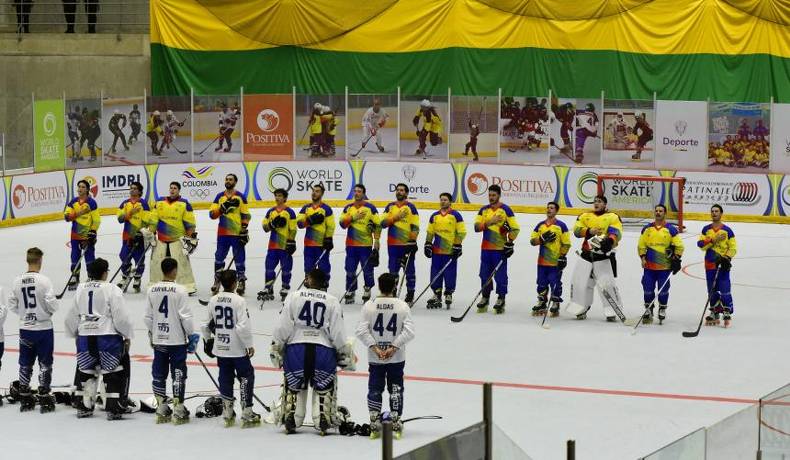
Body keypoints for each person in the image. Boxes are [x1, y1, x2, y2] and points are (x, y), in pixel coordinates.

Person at [271, 269, 354, 435]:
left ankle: (291, 415)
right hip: (322, 352)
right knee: (325, 384)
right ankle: (322, 417)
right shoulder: (332, 301)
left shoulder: (294, 296)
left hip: (296, 352)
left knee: (293, 384)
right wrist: (343, 353)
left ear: (308, 280)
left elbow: (283, 326)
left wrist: (277, 346)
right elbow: (338, 333)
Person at [64, 259, 133, 420]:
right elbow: (121, 317)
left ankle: (84, 405)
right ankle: (114, 406)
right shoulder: (111, 289)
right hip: (107, 339)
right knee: (115, 370)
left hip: (85, 339)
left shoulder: (81, 288)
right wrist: (127, 335)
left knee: (86, 371)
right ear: (104, 273)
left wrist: (75, 335)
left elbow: (71, 317)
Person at [356, 273, 415, 439]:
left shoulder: (369, 306)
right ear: (395, 285)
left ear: (379, 285)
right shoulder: (402, 306)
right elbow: (409, 331)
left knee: (375, 387)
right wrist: (393, 347)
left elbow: (361, 330)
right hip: (396, 358)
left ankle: (374, 421)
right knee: (396, 388)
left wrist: (375, 348)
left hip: (376, 358)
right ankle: (396, 420)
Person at [144, 257, 199, 425]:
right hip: (176, 341)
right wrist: (191, 335)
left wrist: (153, 333)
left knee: (159, 373)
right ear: (174, 270)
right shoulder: (180, 290)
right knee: (178, 373)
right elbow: (185, 317)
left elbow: (148, 317)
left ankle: (161, 407)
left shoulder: (152, 290)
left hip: (159, 339)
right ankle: (178, 407)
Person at [202, 270, 259, 428]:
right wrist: (249, 344)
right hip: (237, 348)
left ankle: (227, 411)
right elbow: (242, 327)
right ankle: (247, 412)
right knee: (246, 376)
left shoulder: (213, 300)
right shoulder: (239, 301)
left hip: (221, 347)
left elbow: (205, 324)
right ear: (234, 283)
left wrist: (207, 341)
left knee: (224, 377)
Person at [7, 247, 59, 413]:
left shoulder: (17, 281)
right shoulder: (44, 281)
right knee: (45, 363)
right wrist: (46, 311)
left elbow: (12, 305)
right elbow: (52, 304)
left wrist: (25, 314)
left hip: (26, 329)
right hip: (43, 328)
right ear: (40, 261)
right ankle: (44, 395)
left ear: (28, 260)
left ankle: (24, 395)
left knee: (25, 362)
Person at [566, 195, 624, 321]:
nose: (596, 203)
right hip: (586, 255)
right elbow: (576, 230)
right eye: (595, 201)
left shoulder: (612, 217)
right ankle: (580, 308)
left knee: (606, 284)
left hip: (602, 256)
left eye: (600, 201)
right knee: (581, 283)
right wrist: (588, 231)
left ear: (605, 204)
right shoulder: (585, 216)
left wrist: (610, 241)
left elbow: (616, 233)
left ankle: (612, 311)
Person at [474, 184, 520, 314]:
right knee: (484, 275)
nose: (491, 197)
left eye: (493, 195)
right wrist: (490, 221)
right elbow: (477, 228)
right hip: (486, 249)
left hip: (500, 250)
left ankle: (501, 298)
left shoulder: (506, 210)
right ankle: (485, 297)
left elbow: (515, 228)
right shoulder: (483, 210)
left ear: (499, 195)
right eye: (489, 195)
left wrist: (510, 242)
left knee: (500, 276)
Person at [149, 182, 198, 295]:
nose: (172, 190)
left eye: (175, 188)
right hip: (161, 239)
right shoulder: (160, 202)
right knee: (157, 263)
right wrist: (151, 232)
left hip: (177, 240)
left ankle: (187, 286)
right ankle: (156, 284)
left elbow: (189, 222)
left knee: (182, 263)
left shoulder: (184, 204)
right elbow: (154, 219)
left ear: (179, 190)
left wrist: (191, 235)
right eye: (171, 188)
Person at [638, 205, 684, 324]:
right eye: (656, 211)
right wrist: (642, 257)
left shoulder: (671, 229)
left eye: (661, 211)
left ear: (665, 213)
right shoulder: (647, 228)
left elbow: (679, 246)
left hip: (664, 266)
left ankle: (662, 308)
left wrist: (676, 258)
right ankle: (648, 309)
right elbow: (641, 245)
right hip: (649, 265)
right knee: (647, 288)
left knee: (663, 289)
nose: (658, 213)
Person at [339, 184, 381, 304]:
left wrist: (377, 240)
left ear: (363, 194)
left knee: (367, 269)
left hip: (366, 245)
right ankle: (351, 290)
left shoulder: (370, 208)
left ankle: (367, 289)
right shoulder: (348, 208)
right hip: (351, 245)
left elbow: (377, 225)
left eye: (359, 191)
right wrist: (353, 217)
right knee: (349, 269)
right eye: (355, 191)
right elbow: (342, 224)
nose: (356, 193)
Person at [209, 174, 250, 295]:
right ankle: (217, 280)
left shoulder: (240, 197)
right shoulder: (219, 197)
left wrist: (243, 229)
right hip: (222, 234)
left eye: (230, 179)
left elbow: (246, 215)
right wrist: (222, 208)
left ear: (235, 182)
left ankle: (241, 280)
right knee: (219, 257)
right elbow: (212, 215)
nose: (228, 181)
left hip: (237, 234)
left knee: (239, 259)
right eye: (226, 179)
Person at [424, 192, 466, 308]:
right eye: (441, 199)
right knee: (435, 272)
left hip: (450, 251)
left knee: (450, 273)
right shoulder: (434, 216)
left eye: (445, 200)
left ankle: (448, 293)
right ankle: (436, 293)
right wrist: (428, 243)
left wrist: (457, 245)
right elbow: (430, 232)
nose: (443, 201)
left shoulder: (456, 215)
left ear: (450, 202)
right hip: (437, 251)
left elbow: (461, 232)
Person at [698, 204, 737, 327]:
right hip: (710, 263)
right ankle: (715, 311)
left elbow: (733, 248)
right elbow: (701, 245)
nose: (714, 213)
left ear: (721, 213)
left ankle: (726, 311)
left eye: (717, 211)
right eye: (712, 211)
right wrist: (713, 240)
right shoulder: (706, 229)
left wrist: (726, 258)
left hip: (723, 264)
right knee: (712, 289)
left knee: (724, 288)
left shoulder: (728, 230)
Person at [529, 202, 570, 317]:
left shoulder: (561, 226)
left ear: (556, 211)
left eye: (551, 208)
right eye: (547, 207)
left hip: (555, 262)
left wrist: (562, 256)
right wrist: (541, 239)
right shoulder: (540, 225)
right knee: (541, 283)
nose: (549, 209)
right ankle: (542, 301)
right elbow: (532, 241)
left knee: (555, 282)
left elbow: (566, 243)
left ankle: (556, 302)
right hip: (542, 261)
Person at [380, 183, 419, 302]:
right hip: (392, 245)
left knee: (410, 271)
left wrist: (412, 241)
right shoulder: (390, 207)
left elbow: (415, 226)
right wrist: (395, 218)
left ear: (406, 193)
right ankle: (393, 291)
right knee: (393, 270)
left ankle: (410, 293)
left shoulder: (411, 207)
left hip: (407, 245)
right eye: (397, 190)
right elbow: (382, 224)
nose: (399, 192)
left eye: (402, 190)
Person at [259, 188, 297, 302]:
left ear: (285, 198)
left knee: (286, 269)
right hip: (272, 246)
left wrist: (291, 241)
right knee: (269, 268)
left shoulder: (290, 212)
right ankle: (268, 287)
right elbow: (265, 227)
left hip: (284, 246)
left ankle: (285, 287)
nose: (277, 198)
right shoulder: (271, 211)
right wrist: (272, 224)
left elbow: (293, 229)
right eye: (276, 195)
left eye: (280, 196)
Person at [63, 179, 100, 290]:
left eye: (83, 187)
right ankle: (75, 276)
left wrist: (93, 232)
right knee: (75, 257)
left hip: (87, 235)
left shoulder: (92, 203)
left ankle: (91, 276)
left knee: (89, 257)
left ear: (88, 189)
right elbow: (67, 217)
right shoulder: (73, 202)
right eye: (79, 186)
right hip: (75, 236)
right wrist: (80, 212)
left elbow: (96, 220)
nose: (80, 189)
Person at [116, 181, 152, 292]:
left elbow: (147, 221)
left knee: (139, 258)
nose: (132, 190)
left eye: (135, 188)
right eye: (131, 188)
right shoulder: (124, 204)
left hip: (139, 236)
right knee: (123, 255)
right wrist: (130, 212)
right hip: (127, 236)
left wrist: (142, 233)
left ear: (140, 191)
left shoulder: (144, 204)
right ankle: (126, 275)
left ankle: (137, 278)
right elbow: (120, 219)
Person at [296, 184, 335, 282]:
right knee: (308, 267)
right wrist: (311, 220)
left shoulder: (326, 209)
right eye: (313, 191)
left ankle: (323, 285)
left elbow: (331, 226)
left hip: (322, 244)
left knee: (324, 267)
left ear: (322, 194)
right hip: (309, 244)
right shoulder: (306, 208)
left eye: (317, 191)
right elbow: (299, 223)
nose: (314, 193)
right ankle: (310, 284)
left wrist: (328, 238)